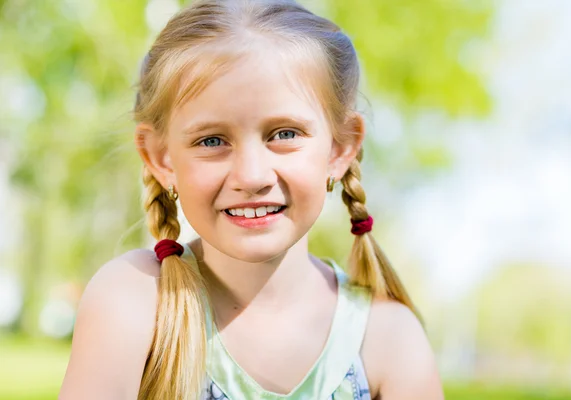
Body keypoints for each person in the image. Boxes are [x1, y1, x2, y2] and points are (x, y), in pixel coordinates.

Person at [59, 0, 444, 399]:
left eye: (284, 134)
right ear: (162, 158)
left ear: (340, 148)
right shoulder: (137, 300)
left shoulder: (388, 339)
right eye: (212, 141)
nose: (252, 176)